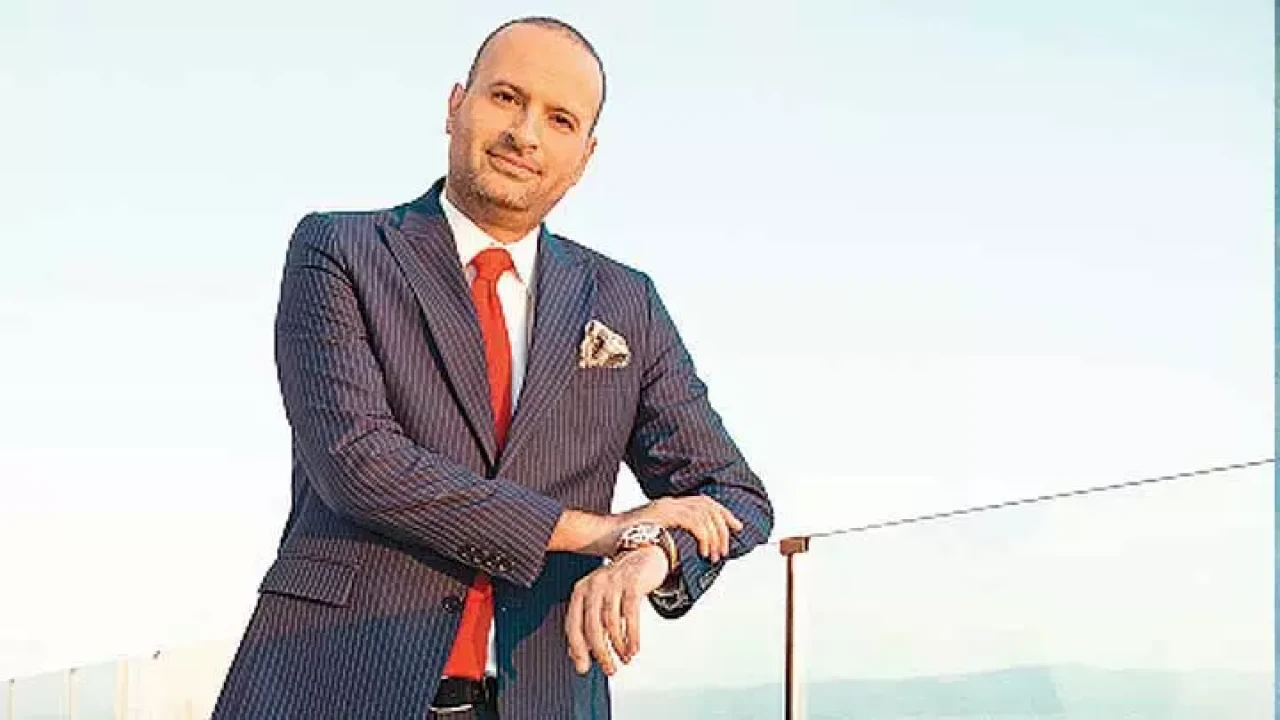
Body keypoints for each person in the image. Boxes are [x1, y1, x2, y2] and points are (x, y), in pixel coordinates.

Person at [211, 15, 773, 720]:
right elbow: (359, 462)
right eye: (507, 97)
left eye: (560, 119)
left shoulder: (625, 301)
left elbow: (733, 496)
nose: (526, 134)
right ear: (456, 105)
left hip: (545, 693)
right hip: (335, 682)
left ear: (585, 155)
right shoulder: (340, 250)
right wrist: (595, 531)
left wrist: (650, 552)